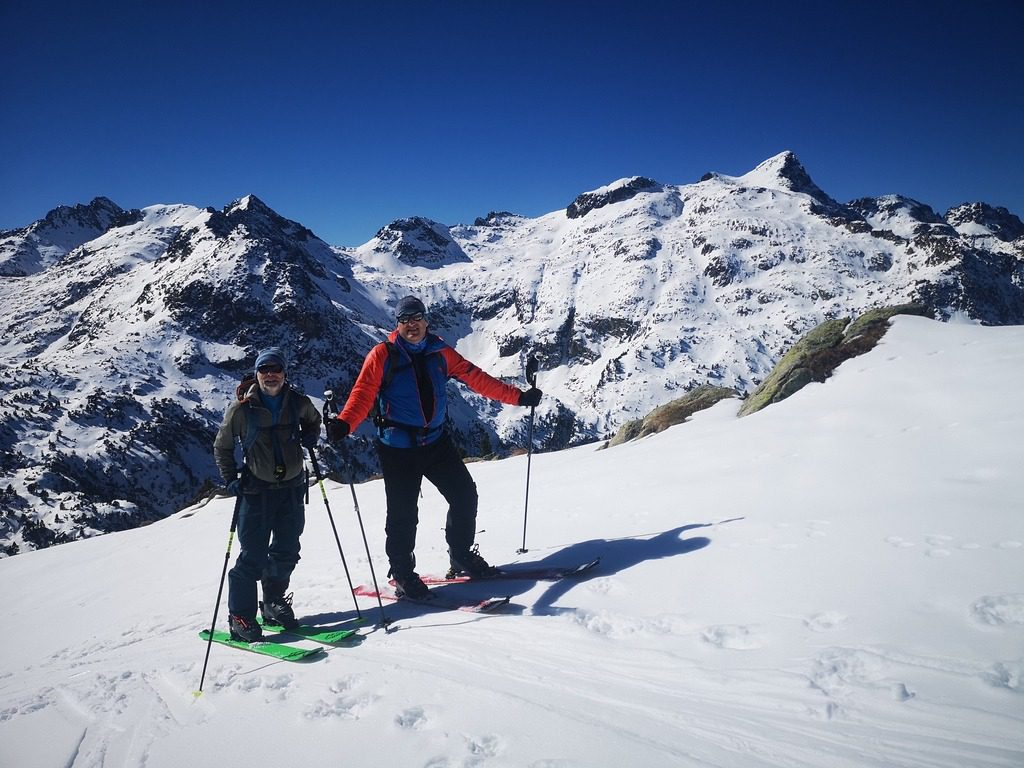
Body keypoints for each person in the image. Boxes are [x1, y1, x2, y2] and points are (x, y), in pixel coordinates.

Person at [325, 296, 542, 599]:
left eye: (416, 318)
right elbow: (363, 393)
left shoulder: (440, 352)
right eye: (404, 320)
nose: (411, 325)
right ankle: (402, 574)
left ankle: (461, 555)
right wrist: (345, 423)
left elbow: (476, 378)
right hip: (398, 449)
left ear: (426, 320)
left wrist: (517, 398)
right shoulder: (382, 355)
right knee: (403, 515)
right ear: (397, 324)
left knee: (464, 495)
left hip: (436, 442)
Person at [213, 347, 322, 641]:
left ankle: (272, 602)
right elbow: (222, 446)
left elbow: (315, 420)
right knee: (253, 557)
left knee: (287, 550)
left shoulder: (298, 402)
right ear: (257, 374)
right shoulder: (242, 409)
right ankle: (240, 617)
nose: (270, 375)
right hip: (256, 491)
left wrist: (311, 433)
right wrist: (230, 477)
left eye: (275, 369)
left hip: (292, 489)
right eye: (264, 369)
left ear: (285, 373)